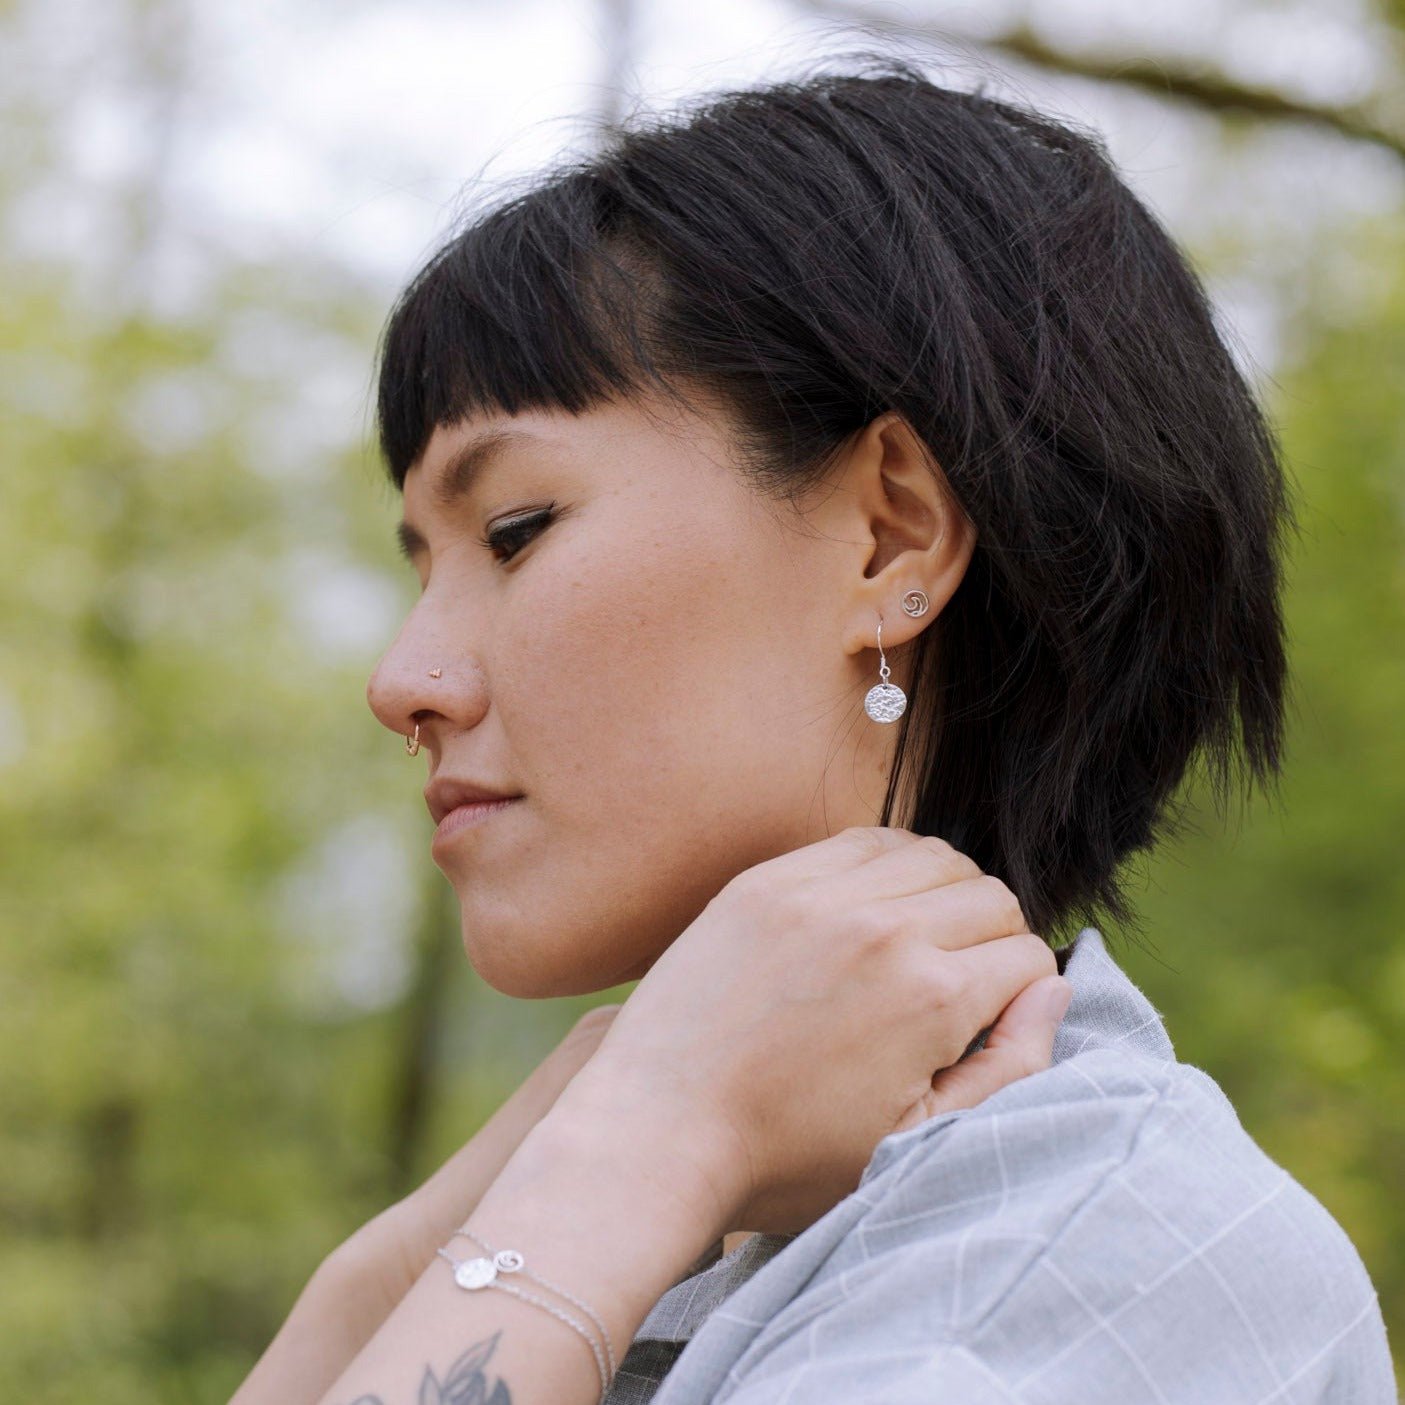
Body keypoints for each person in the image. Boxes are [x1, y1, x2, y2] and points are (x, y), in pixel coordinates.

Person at [232, 59, 1396, 1404]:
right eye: (418, 567)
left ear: (888, 534)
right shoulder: (689, 1208)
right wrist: (412, 1254)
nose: (402, 679)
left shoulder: (1081, 1268)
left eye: (513, 530)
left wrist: (638, 1144)